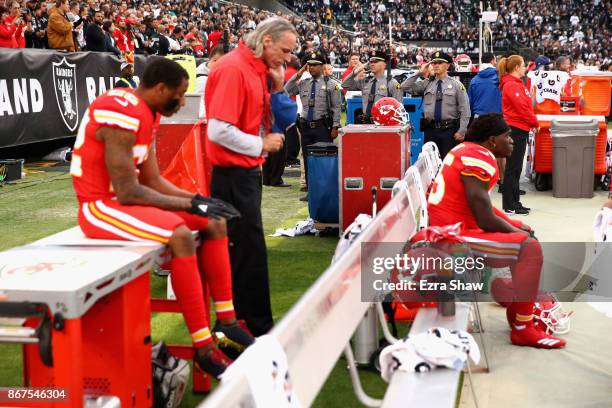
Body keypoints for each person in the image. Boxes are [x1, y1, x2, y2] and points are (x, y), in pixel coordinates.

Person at [69, 58, 254, 378]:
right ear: (160, 88)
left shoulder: (147, 111)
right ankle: (204, 348)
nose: (182, 102)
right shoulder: (122, 110)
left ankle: (225, 322)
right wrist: (189, 206)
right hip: (100, 206)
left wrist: (197, 200)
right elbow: (128, 191)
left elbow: (152, 179)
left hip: (125, 202)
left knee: (215, 223)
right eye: (180, 95)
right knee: (181, 234)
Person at [428, 113, 566, 349]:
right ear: (492, 141)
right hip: (450, 237)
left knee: (524, 234)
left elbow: (481, 206)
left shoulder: (467, 150)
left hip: (450, 227)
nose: (511, 141)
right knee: (528, 248)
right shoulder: (478, 158)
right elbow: (484, 218)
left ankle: (514, 299)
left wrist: (517, 226)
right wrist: (516, 231)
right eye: (507, 136)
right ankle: (523, 328)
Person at [205, 17, 297, 336]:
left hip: (245, 172)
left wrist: (279, 86)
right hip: (232, 173)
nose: (287, 59)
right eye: (285, 51)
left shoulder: (257, 69)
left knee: (248, 252)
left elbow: (285, 121)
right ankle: (248, 327)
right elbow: (217, 131)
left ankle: (249, 324)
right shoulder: (234, 68)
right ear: (267, 40)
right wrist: (260, 143)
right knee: (244, 252)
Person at [285, 51, 342, 200]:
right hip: (305, 127)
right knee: (309, 161)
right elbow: (286, 89)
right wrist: (298, 74)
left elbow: (336, 108)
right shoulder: (303, 83)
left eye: (315, 65)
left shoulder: (332, 85)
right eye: (309, 65)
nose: (311, 68)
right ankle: (311, 192)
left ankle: (324, 191)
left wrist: (335, 127)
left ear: (322, 66)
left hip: (322, 127)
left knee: (323, 160)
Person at [401, 51, 470, 159]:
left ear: (447, 65)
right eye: (434, 63)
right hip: (430, 130)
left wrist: (462, 131)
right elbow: (404, 87)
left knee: (447, 163)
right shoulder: (427, 83)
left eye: (440, 63)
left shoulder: (457, 85)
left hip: (449, 131)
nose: (436, 65)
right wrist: (419, 73)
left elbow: (465, 109)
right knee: (429, 163)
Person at [499, 55, 538, 215]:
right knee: (513, 169)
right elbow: (522, 108)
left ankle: (514, 202)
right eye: (523, 65)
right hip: (515, 129)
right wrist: (534, 122)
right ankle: (510, 204)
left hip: (519, 128)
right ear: (516, 67)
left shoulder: (515, 84)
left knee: (515, 169)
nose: (525, 68)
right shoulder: (511, 85)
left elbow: (525, 106)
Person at [468, 52, 504, 190]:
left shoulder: (474, 80)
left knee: (479, 151)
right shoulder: (499, 78)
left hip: (479, 118)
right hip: (497, 117)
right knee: (500, 151)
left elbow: (469, 103)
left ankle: (480, 180)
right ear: (494, 60)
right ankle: (502, 182)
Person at [342, 50, 402, 124]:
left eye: (376, 62)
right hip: (365, 123)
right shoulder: (365, 81)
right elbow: (344, 85)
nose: (372, 64)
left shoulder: (392, 83)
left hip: (383, 124)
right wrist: (355, 71)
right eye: (371, 62)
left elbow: (398, 109)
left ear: (384, 64)